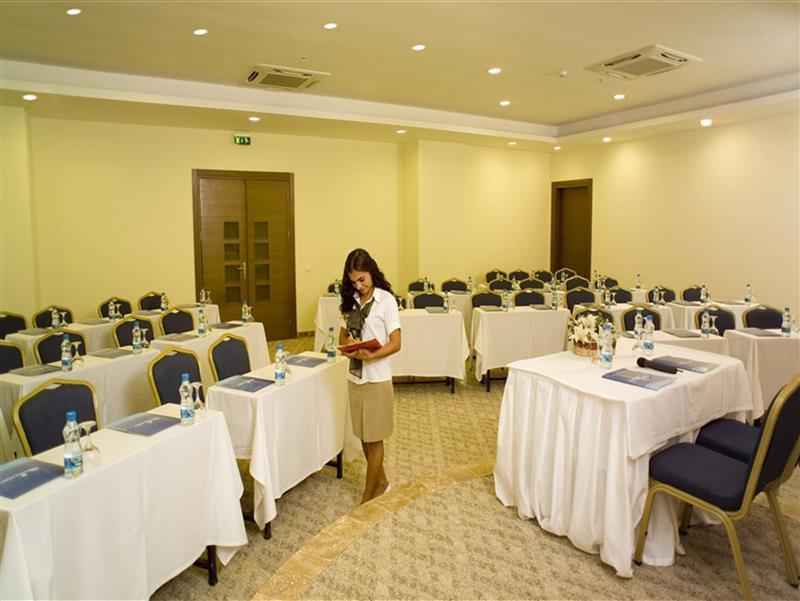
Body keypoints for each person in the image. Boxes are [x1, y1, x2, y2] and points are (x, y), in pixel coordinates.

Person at [339, 248, 401, 503]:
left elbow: (396, 343)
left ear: (372, 272)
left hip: (377, 378)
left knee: (375, 438)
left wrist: (371, 355)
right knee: (365, 436)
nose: (359, 285)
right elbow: (342, 335)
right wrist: (350, 344)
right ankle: (382, 482)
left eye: (362, 279)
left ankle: (368, 496)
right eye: (354, 281)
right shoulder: (350, 301)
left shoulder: (386, 301)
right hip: (356, 377)